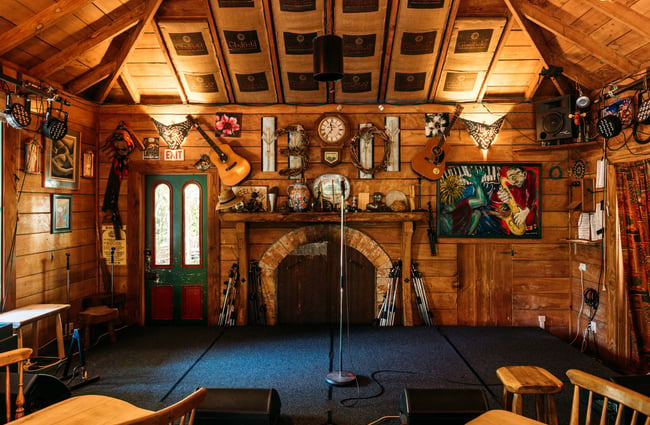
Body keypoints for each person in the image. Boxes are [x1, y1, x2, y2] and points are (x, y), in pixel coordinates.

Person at [492, 166, 538, 233]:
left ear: (524, 175)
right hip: (515, 230)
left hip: (533, 230)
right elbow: (493, 197)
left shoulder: (530, 182)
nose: (513, 178)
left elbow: (532, 192)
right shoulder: (510, 189)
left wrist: (526, 211)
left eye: (516, 174)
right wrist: (499, 195)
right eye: (510, 177)